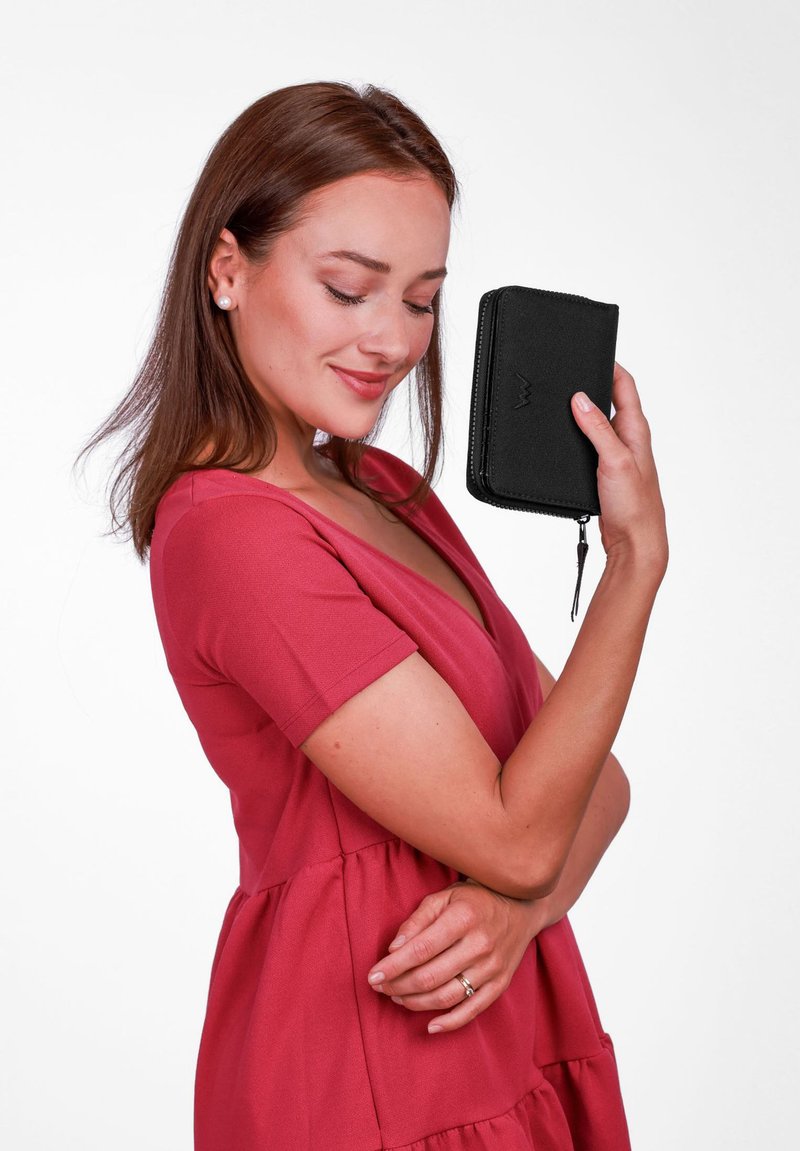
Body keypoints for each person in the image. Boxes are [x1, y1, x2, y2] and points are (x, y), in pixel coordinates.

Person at [77, 80, 668, 1150]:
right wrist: (631, 562)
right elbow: (523, 834)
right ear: (226, 269)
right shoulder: (229, 533)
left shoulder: (390, 490)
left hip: (500, 1028)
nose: (391, 339)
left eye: (421, 296)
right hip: (359, 1070)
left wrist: (515, 915)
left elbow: (595, 789)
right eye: (349, 288)